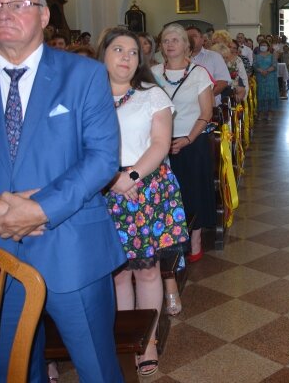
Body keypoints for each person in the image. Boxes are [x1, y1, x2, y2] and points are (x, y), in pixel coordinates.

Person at [0, 0, 125, 381]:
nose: (5, 14)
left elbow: (103, 158)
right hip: (1, 246)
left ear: (44, 14)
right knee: (11, 368)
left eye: (18, 3)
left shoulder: (83, 75)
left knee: (96, 368)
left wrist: (39, 208)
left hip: (72, 246)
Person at [98, 28, 189, 377]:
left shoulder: (152, 94)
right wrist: (111, 180)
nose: (125, 57)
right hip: (104, 189)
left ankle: (148, 341)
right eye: (118, 49)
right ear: (103, 54)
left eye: (133, 52)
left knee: (148, 270)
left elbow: (160, 143)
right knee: (118, 274)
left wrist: (130, 178)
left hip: (147, 187)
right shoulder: (89, 95)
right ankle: (125, 340)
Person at [152, 24, 214, 265]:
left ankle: (195, 238)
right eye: (166, 40)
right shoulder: (153, 73)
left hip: (192, 140)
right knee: (166, 194)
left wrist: (187, 139)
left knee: (192, 191)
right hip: (159, 143)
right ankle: (170, 240)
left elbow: (206, 112)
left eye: (175, 39)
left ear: (187, 45)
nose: (170, 44)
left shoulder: (198, 73)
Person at [187, 26, 230, 104]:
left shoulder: (214, 56)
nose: (190, 39)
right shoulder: (179, 58)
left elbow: (222, 81)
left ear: (202, 39)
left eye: (194, 36)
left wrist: (204, 97)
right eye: (187, 37)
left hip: (210, 104)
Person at [253, 37, 279, 119]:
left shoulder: (272, 55)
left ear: (268, 46)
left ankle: (270, 112)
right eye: (261, 45)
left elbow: (274, 65)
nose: (263, 46)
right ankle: (260, 112)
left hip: (270, 77)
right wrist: (261, 71)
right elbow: (254, 65)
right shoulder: (256, 55)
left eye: (265, 45)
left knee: (270, 95)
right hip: (260, 77)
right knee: (261, 94)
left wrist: (267, 71)